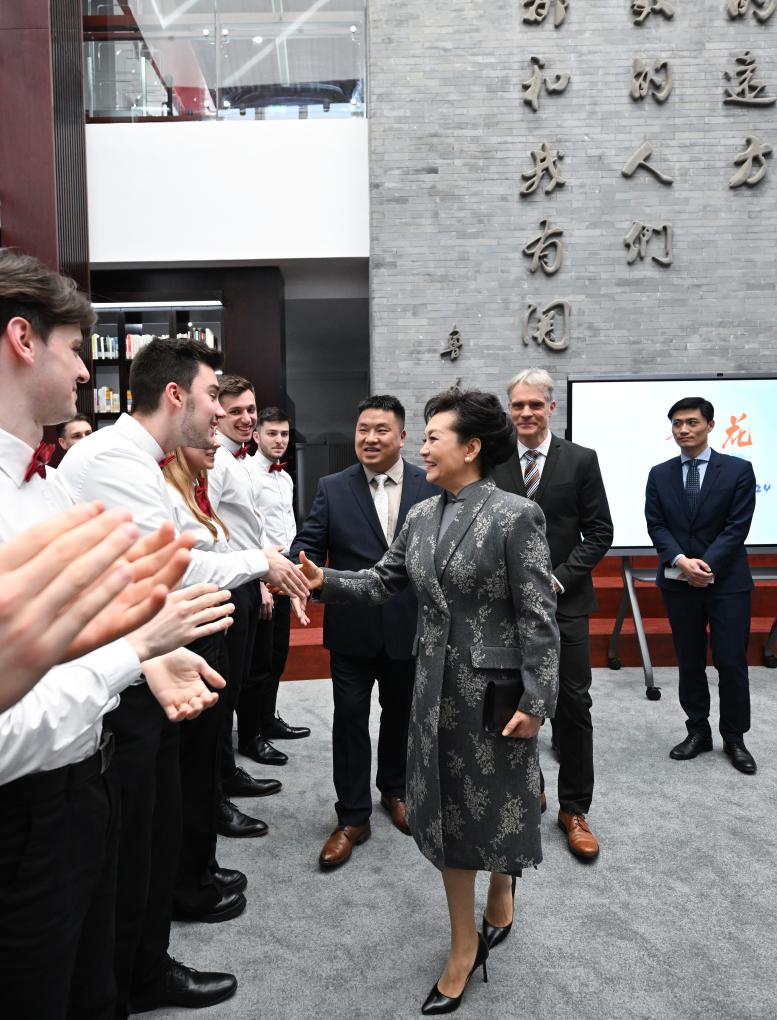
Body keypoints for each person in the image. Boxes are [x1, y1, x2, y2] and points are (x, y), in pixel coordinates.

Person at [0, 250, 230, 1020]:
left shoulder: (45, 476)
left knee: (93, 985)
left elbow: (76, 623)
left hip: (80, 779)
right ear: (23, 340)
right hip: (25, 806)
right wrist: (133, 654)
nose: (82, 376)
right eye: (74, 350)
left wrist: (144, 660)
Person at [58, 340, 308, 1016]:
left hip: (146, 664)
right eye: (209, 399)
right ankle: (138, 976)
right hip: (120, 679)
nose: (218, 411)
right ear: (176, 398)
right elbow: (173, 564)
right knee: (135, 844)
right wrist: (259, 563)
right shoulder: (113, 458)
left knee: (154, 830)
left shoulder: (142, 460)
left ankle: (145, 965)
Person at [298, 389, 559, 1014]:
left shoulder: (515, 516)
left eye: (434, 436)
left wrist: (538, 696)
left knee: (496, 799)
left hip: (494, 695)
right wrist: (323, 579)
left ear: (471, 448)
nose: (423, 446)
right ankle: (464, 939)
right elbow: (384, 581)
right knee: (445, 809)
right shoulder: (418, 516)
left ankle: (500, 888)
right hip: (430, 689)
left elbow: (539, 617)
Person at [290, 395, 439, 868]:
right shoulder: (333, 487)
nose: (369, 439)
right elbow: (309, 543)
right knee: (350, 720)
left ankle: (395, 791)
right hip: (351, 629)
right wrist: (301, 567)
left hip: (409, 626)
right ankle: (352, 815)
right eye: (362, 430)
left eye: (380, 430)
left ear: (402, 437)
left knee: (400, 717)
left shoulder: (430, 485)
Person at [491, 369, 613, 862]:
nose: (525, 414)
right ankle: (530, 786)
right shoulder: (494, 459)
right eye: (517, 406)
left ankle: (575, 809)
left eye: (534, 405)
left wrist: (557, 577)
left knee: (573, 705)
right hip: (507, 609)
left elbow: (600, 531)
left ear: (551, 408)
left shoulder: (581, 460)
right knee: (517, 702)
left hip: (566, 605)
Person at [163, 443, 281, 924]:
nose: (216, 441)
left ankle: (200, 865)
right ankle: (189, 880)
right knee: (190, 762)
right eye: (208, 425)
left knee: (206, 745)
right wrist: (260, 563)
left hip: (213, 615)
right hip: (186, 630)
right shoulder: (165, 488)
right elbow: (189, 566)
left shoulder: (194, 486)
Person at [645, 397, 757, 774]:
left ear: (710, 425)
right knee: (689, 660)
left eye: (691, 422)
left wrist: (705, 565)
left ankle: (735, 738)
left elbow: (737, 526)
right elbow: (656, 525)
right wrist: (680, 561)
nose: (683, 430)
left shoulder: (738, 470)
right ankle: (697, 730)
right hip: (679, 581)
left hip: (727, 582)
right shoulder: (659, 474)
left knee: (730, 660)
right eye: (677, 423)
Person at [208, 375, 285, 837]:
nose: (247, 418)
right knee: (222, 694)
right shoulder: (213, 458)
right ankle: (214, 795)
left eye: (251, 409)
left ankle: (226, 774)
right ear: (216, 410)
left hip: (245, 578)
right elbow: (210, 532)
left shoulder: (235, 459)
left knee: (234, 688)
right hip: (225, 583)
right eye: (236, 410)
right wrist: (251, 576)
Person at [238, 406, 310, 768]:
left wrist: (295, 574)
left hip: (283, 575)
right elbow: (246, 532)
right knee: (257, 664)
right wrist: (261, 583)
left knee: (278, 656)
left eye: (284, 434)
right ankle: (251, 735)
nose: (279, 440)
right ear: (256, 436)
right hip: (259, 579)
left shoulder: (285, 478)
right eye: (272, 434)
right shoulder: (245, 474)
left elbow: (290, 529)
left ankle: (268, 719)